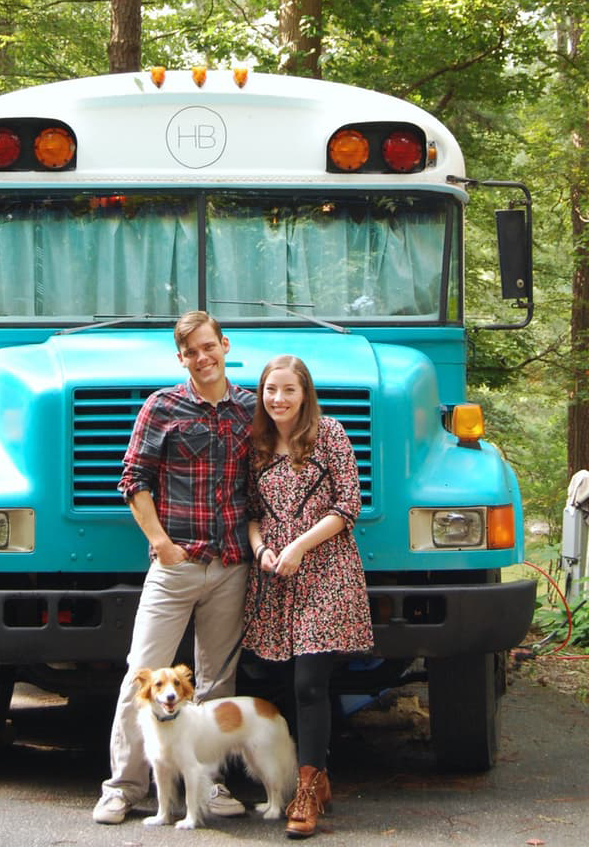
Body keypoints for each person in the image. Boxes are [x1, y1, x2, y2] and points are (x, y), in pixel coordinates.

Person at [93, 310, 256, 825]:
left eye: (209, 347)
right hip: (175, 565)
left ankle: (207, 788)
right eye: (191, 352)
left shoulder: (250, 410)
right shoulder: (161, 407)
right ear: (180, 357)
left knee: (214, 683)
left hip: (231, 564)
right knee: (139, 676)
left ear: (225, 345)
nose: (203, 358)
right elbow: (133, 479)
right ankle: (122, 786)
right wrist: (161, 542)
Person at [243, 355, 374, 839]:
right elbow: (252, 512)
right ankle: (316, 777)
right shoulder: (256, 445)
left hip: (325, 570)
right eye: (270, 390)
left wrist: (298, 546)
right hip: (276, 577)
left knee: (309, 684)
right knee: (282, 678)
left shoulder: (331, 434)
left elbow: (347, 503)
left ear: (305, 394)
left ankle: (304, 794)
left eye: (288, 390)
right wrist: (261, 550)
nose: (278, 399)